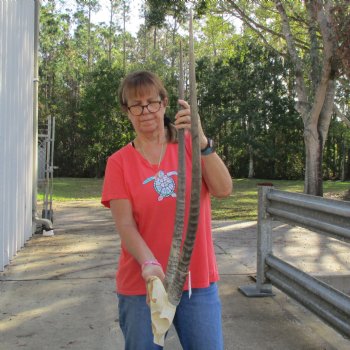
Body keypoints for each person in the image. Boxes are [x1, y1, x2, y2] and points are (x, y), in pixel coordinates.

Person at [101, 70, 232, 350]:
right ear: (127, 111)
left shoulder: (189, 146)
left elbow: (223, 189)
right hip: (143, 287)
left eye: (152, 101)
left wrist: (202, 141)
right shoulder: (119, 163)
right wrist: (149, 264)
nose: (145, 110)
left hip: (196, 282)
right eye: (136, 104)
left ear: (164, 102)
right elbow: (125, 225)